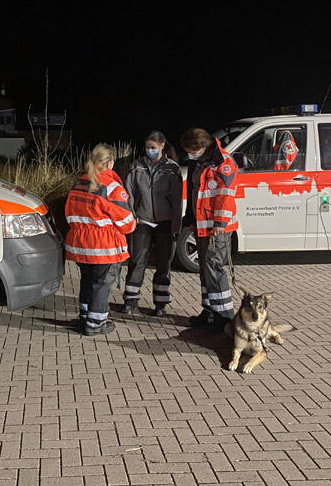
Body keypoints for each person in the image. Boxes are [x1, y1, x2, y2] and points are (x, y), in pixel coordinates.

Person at [65, 144, 136, 336]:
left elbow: (70, 213)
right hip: (103, 246)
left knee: (87, 282)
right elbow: (125, 221)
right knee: (101, 285)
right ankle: (96, 324)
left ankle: (85, 317)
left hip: (80, 244)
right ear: (111, 162)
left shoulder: (79, 182)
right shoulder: (112, 187)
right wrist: (132, 224)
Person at [180, 128, 239, 331]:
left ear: (203, 147)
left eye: (191, 150)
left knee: (214, 269)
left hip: (217, 228)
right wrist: (189, 218)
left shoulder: (224, 164)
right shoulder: (200, 162)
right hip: (201, 225)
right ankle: (209, 311)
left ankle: (223, 317)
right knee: (205, 271)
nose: (189, 154)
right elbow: (194, 191)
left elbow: (225, 196)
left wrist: (220, 224)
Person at [121, 131, 183, 316]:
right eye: (147, 147)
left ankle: (161, 304)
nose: (150, 151)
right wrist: (133, 216)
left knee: (164, 264)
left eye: (153, 148)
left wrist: (176, 225)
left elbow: (177, 200)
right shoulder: (136, 166)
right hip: (142, 221)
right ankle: (131, 301)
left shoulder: (172, 168)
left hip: (165, 223)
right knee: (137, 261)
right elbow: (129, 193)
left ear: (162, 146)